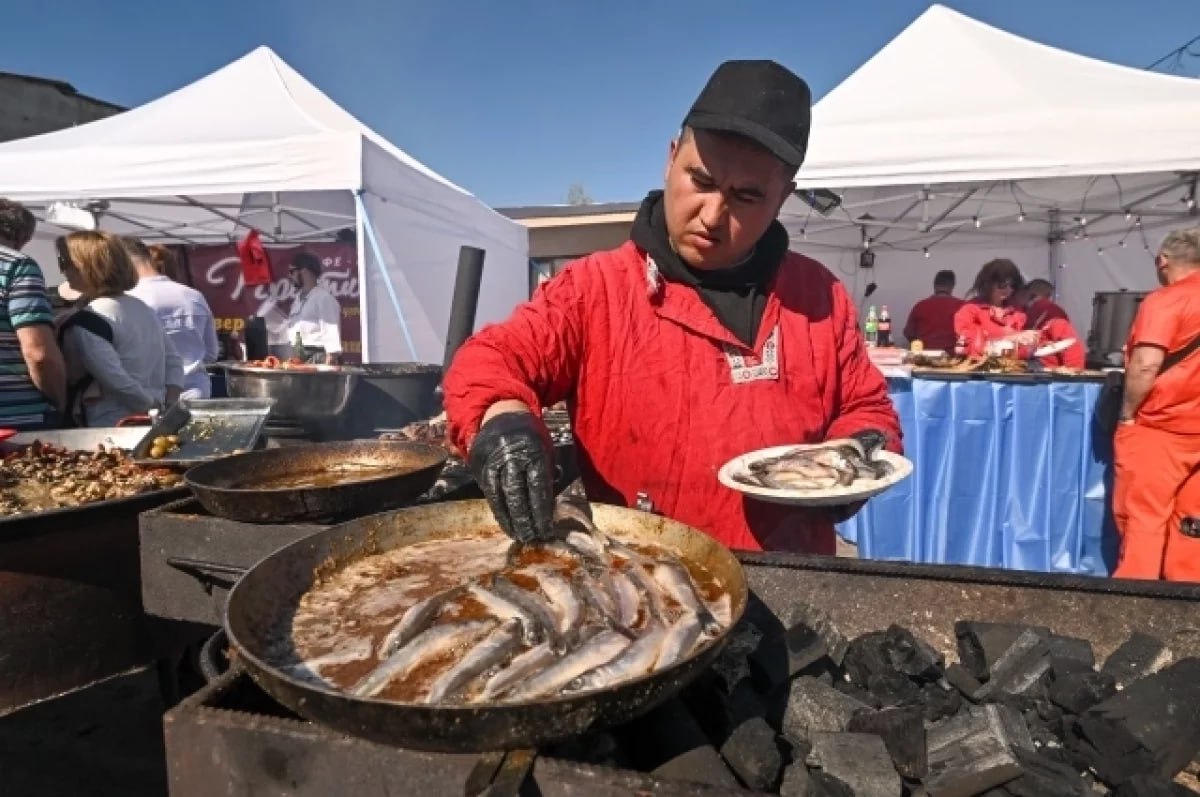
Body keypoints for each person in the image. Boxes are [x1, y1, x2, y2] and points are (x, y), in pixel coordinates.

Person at [443, 60, 901, 553]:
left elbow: (866, 407)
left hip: (794, 576)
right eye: (700, 180)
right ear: (669, 159)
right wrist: (504, 421)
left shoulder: (818, 296)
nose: (712, 215)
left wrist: (848, 463)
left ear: (783, 197)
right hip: (645, 581)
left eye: (747, 196)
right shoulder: (594, 289)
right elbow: (492, 359)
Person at [1111, 227, 1200, 582]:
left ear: (1163, 261)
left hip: (1161, 427)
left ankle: (1135, 612)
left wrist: (1128, 414)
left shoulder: (1166, 300)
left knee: (1142, 521)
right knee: (1192, 524)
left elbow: (1146, 364)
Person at [55, 231, 184, 427]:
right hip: (151, 415)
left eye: (65, 263)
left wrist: (151, 405)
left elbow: (113, 379)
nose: (63, 271)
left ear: (85, 267)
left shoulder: (91, 319)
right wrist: (168, 402)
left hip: (113, 421)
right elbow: (173, 359)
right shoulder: (141, 307)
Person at [0, 199, 67, 429]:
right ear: (21, 237)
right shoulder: (16, 265)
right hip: (13, 420)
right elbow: (38, 353)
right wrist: (60, 401)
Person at [124, 238, 220, 399]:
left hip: (151, 396)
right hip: (195, 391)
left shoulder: (129, 299)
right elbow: (210, 353)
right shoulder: (194, 296)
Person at [953, 259, 1038, 357]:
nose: (1008, 289)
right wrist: (1010, 339)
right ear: (988, 283)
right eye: (1002, 285)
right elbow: (970, 347)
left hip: (1012, 368)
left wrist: (1031, 340)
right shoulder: (969, 310)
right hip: (979, 369)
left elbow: (1024, 350)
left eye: (1012, 285)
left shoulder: (1017, 312)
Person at [286, 251, 342, 365]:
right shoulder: (298, 299)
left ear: (304, 271)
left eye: (292, 272)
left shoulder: (323, 298)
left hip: (317, 354)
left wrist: (331, 357)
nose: (290, 276)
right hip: (298, 353)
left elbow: (330, 329)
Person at [1016, 278, 1085, 369]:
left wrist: (1074, 373)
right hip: (1036, 363)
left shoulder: (1050, 312)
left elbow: (1070, 344)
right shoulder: (1024, 313)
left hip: (1041, 366)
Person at [903, 270, 963, 351]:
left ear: (934, 285)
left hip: (924, 356)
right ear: (952, 286)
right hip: (953, 357)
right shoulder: (962, 306)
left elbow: (908, 333)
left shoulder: (920, 306)